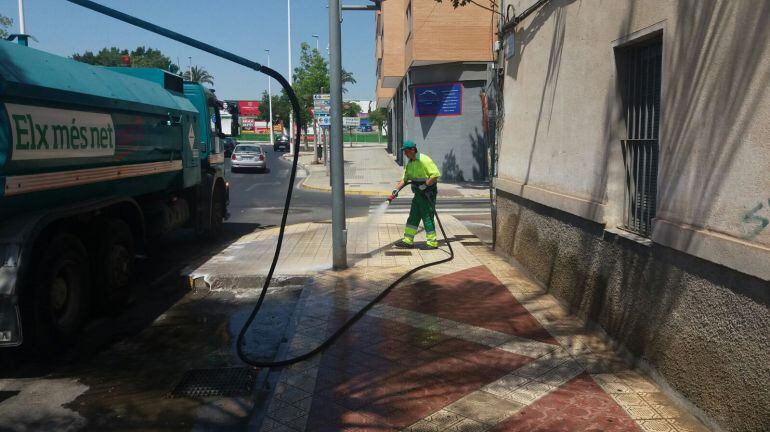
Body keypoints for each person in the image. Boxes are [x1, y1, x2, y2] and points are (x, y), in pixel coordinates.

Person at [389, 140, 441, 249]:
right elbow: (405, 179)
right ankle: (408, 240)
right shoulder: (411, 163)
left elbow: (435, 175)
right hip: (418, 194)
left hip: (427, 194)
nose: (405, 154)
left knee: (427, 217)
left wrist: (425, 185)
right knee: (413, 216)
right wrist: (396, 190)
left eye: (406, 151)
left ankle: (432, 242)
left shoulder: (424, 160)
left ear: (413, 150)